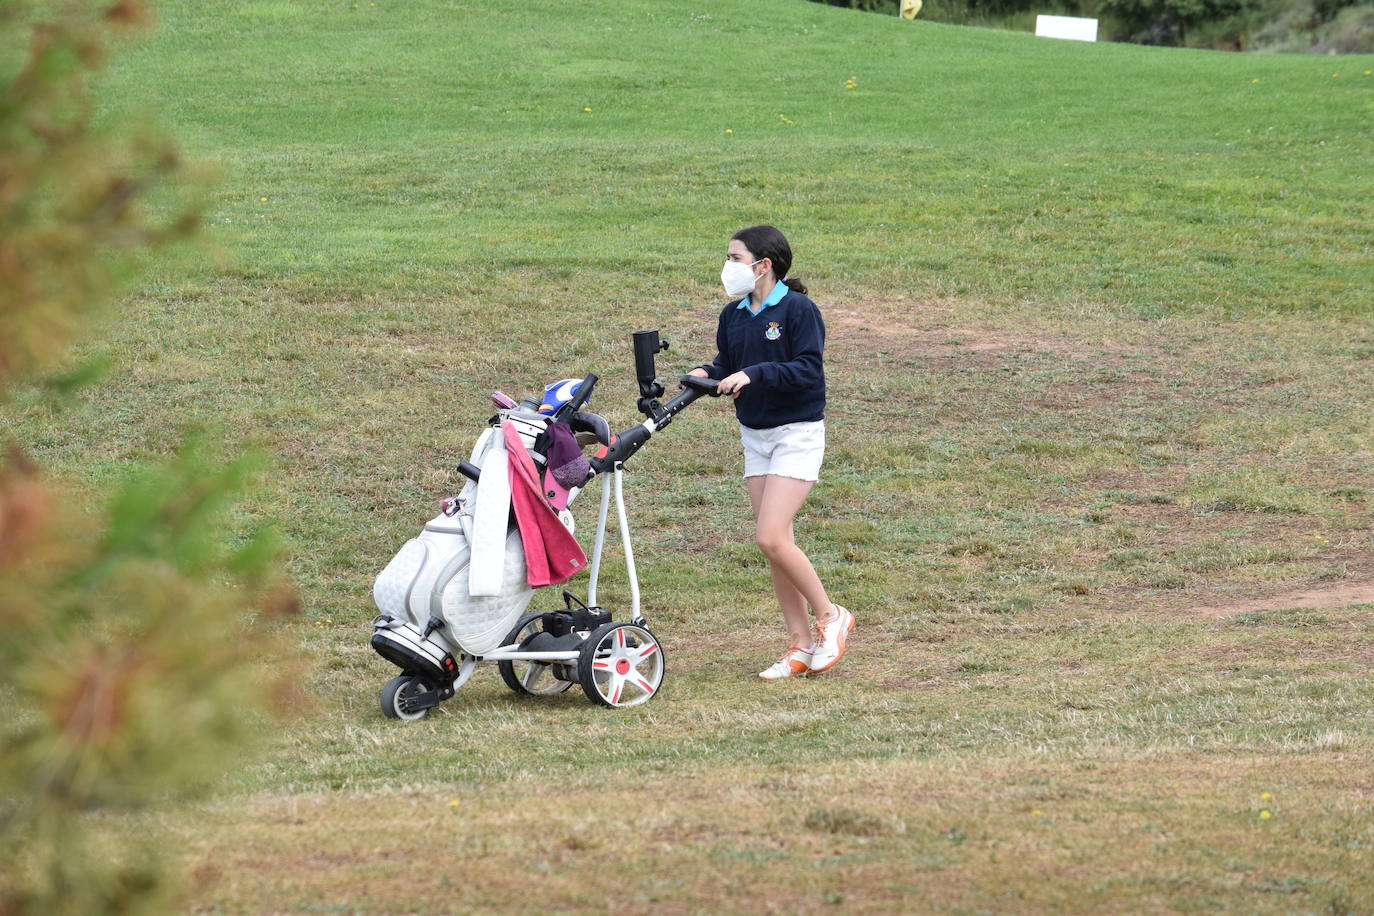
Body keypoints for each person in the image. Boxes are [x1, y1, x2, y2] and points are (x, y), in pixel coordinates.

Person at [689, 225, 853, 681]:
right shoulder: (734, 314)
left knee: (770, 537)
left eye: (735, 258)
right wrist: (705, 371)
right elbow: (727, 363)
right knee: (778, 546)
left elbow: (807, 368)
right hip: (755, 436)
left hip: (795, 434)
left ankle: (830, 616)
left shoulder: (799, 309)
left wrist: (754, 374)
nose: (728, 266)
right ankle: (799, 645)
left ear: (764, 265)